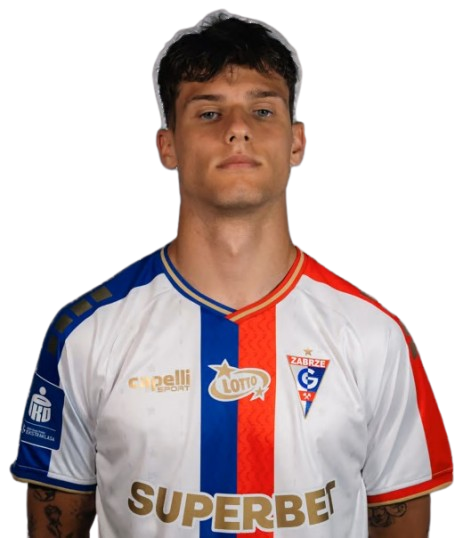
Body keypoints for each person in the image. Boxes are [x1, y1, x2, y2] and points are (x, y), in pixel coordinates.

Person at [10, 8, 454, 538]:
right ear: (167, 146)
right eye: (208, 113)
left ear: (297, 142)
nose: (238, 129)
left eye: (262, 111)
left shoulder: (375, 335)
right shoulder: (85, 331)